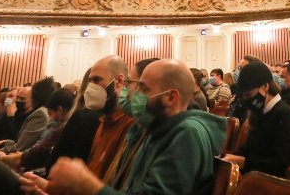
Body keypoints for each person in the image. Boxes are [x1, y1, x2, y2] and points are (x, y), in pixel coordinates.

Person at [32, 59, 226, 195]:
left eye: (143, 88)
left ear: (171, 97)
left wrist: (87, 185)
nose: (133, 95)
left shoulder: (187, 134)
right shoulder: (156, 129)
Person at [224, 61, 290, 177]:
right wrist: (228, 158)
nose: (247, 101)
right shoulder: (260, 112)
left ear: (265, 87)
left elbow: (282, 164)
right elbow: (248, 149)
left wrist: (243, 162)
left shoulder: (284, 115)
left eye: (249, 95)